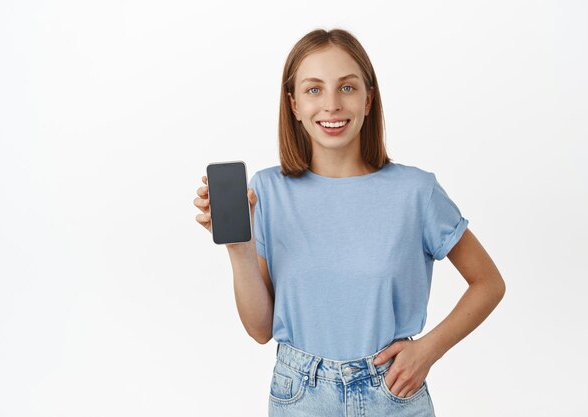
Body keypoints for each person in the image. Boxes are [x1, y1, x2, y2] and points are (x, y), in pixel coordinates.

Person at [194, 28, 506, 417]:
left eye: (346, 88)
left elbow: (489, 283)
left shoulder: (416, 191)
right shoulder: (267, 191)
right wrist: (239, 251)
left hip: (392, 392)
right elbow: (260, 330)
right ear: (292, 104)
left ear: (368, 99)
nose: (331, 105)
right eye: (313, 90)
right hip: (299, 395)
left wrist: (428, 349)